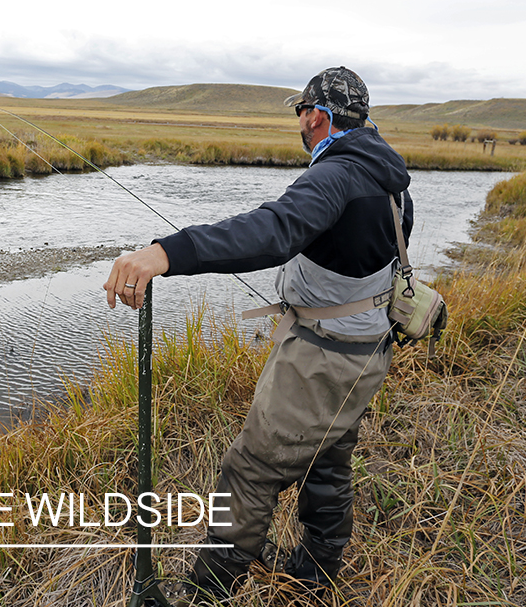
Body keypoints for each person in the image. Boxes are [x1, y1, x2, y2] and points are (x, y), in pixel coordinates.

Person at [103, 66, 413, 599]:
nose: (300, 121)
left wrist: (167, 253)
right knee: (329, 455)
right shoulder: (390, 179)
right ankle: (316, 573)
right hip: (368, 350)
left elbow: (273, 230)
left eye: (301, 111)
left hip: (322, 360)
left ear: (316, 115)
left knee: (249, 470)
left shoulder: (335, 174)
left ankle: (209, 592)